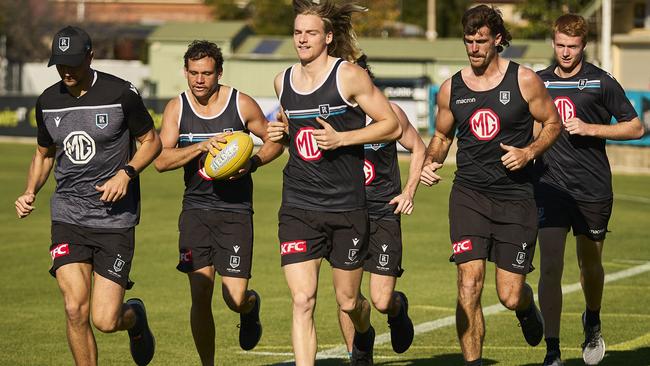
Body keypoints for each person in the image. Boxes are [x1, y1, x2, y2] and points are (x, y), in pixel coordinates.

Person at [419, 5, 561, 366]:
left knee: (509, 295)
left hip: (516, 198)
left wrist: (528, 152)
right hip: (469, 196)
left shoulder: (524, 80)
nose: (474, 49)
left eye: (481, 41)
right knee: (469, 283)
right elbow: (440, 135)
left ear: (498, 40)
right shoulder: (452, 87)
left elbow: (553, 124)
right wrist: (431, 162)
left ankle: (526, 309)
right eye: (468, 41)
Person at [14, 26, 161, 366]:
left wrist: (126, 173)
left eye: (73, 63)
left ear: (90, 58)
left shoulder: (121, 93)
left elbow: (152, 141)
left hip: (115, 221)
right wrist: (29, 191)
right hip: (68, 217)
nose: (66, 71)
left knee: (105, 320)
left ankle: (134, 318)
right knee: (73, 308)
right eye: (60, 64)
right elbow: (44, 154)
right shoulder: (47, 101)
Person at [266, 1, 402, 365]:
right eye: (297, 32)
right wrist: (278, 134)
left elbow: (391, 125)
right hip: (298, 206)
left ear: (328, 37)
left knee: (348, 302)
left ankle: (365, 331)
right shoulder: (282, 81)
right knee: (302, 299)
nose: (302, 39)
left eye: (310, 33)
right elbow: (288, 137)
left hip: (346, 207)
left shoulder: (349, 76)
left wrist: (342, 139)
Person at [153, 40, 283, 365]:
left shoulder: (241, 104)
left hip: (235, 212)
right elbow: (160, 160)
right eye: (194, 72)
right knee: (200, 294)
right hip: (195, 210)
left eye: (207, 73)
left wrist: (252, 163)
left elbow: (275, 142)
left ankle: (250, 309)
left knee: (234, 297)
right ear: (185, 71)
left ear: (219, 73)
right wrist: (200, 147)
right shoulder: (177, 109)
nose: (199, 80)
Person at [535, 14, 645, 366]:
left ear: (584, 46)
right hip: (549, 186)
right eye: (560, 45)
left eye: (573, 46)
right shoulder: (537, 82)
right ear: (553, 43)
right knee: (550, 265)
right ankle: (552, 350)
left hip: (592, 188)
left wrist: (591, 128)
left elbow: (635, 127)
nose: (566, 53)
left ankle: (592, 320)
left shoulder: (600, 82)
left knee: (590, 264)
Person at [336, 55, 424, 357]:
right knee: (347, 296)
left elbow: (417, 147)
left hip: (384, 214)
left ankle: (397, 310)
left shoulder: (390, 114)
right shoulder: (336, 119)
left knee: (381, 300)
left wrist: (409, 191)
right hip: (346, 215)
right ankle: (357, 352)